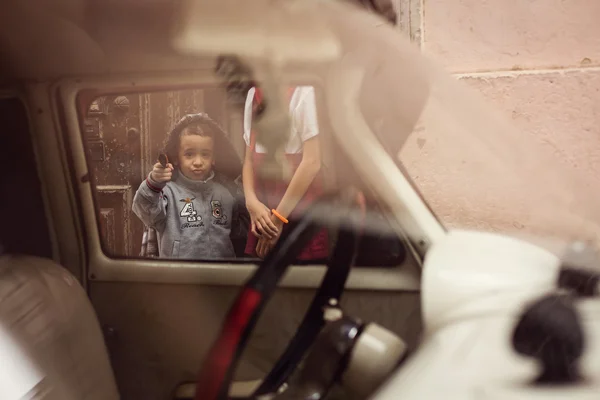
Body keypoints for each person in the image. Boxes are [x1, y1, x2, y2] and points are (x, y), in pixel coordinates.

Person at [133, 113, 248, 259]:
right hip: (180, 276)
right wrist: (153, 183)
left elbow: (240, 237)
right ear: (176, 158)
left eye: (205, 154)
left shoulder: (226, 194)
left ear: (214, 159)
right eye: (189, 154)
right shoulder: (167, 193)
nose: (198, 162)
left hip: (220, 276)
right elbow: (145, 210)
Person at [242, 86, 329, 261]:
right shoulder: (252, 95)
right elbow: (249, 160)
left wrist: (278, 219)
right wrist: (251, 202)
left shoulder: (304, 93)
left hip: (299, 209)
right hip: (263, 211)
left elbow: (312, 162)